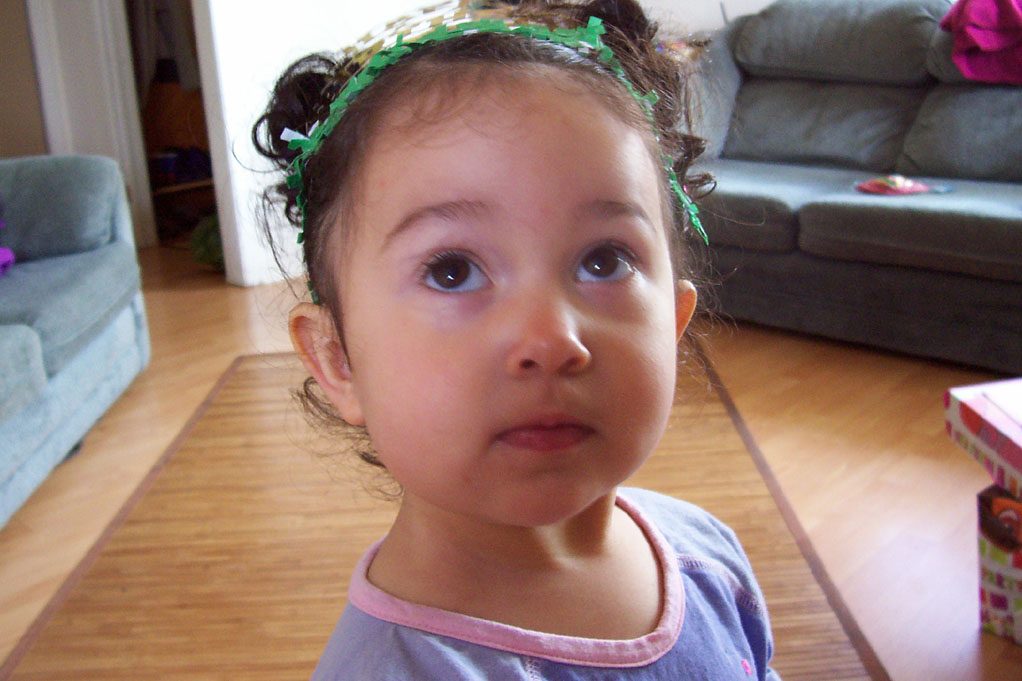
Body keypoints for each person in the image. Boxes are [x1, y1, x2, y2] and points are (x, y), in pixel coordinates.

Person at [253, 1, 780, 678]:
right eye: (452, 270)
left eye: (604, 260)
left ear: (675, 324)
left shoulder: (709, 555)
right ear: (338, 359)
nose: (551, 338)